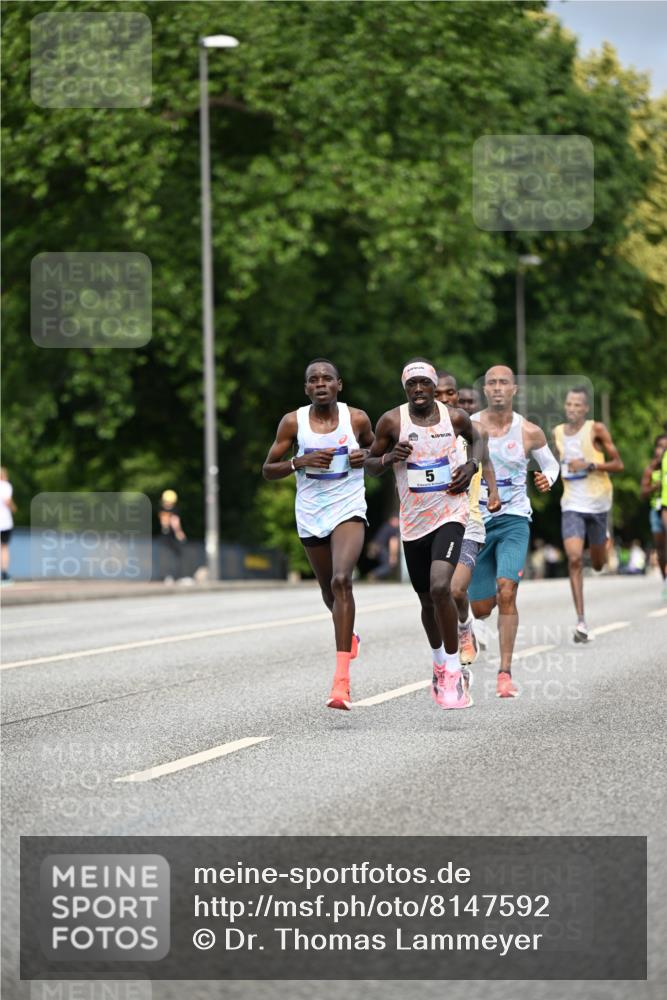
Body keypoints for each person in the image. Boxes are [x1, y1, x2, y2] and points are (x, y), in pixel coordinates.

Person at [365, 358, 479, 710]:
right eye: (411, 384)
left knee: (441, 586)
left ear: (434, 388)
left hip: (451, 514)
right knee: (426, 600)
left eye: (424, 384)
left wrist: (471, 465)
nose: (418, 390)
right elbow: (369, 465)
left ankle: (451, 671)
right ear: (405, 389)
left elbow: (478, 441)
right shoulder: (391, 421)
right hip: (414, 523)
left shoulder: (454, 418)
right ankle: (437, 661)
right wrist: (387, 459)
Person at [262, 358, 374, 711]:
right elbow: (268, 469)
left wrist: (365, 456)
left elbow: (380, 455)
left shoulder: (355, 418)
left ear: (339, 384)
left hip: (348, 507)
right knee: (329, 592)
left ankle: (341, 682)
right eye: (314, 380)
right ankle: (348, 633)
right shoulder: (293, 422)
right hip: (311, 513)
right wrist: (299, 462)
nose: (321, 384)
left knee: (343, 581)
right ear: (306, 388)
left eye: (327, 378)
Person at [468, 366, 560, 698]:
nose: (496, 388)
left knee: (508, 591)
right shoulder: (471, 427)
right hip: (476, 520)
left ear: (514, 390)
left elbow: (550, 464)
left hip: (514, 520)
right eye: (490, 383)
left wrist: (547, 479)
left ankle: (504, 673)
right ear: (485, 390)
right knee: (480, 607)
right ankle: (474, 621)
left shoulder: (530, 431)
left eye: (502, 383)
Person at [435, 372, 501, 666]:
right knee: (438, 591)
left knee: (456, 589)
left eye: (451, 393)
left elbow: (485, 462)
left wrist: (494, 492)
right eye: (440, 394)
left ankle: (464, 628)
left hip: (468, 520)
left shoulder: (473, 431)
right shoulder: (420, 431)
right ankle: (459, 633)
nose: (447, 399)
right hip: (432, 522)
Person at [552, 386, 624, 642]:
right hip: (571, 502)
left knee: (597, 563)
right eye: (568, 404)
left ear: (585, 408)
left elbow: (618, 464)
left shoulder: (596, 429)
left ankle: (602, 541)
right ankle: (581, 621)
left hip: (599, 503)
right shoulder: (557, 432)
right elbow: (554, 463)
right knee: (573, 558)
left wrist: (590, 464)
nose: (572, 408)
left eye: (577, 405)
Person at [640, 434, 667, 598]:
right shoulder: (651, 469)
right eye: (660, 446)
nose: (662, 449)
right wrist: (655, 487)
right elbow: (643, 493)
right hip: (655, 512)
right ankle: (665, 579)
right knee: (661, 550)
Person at [158, 489, 187, 582]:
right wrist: (179, 532)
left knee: (166, 556)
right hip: (172, 536)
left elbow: (163, 522)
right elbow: (175, 522)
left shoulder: (162, 509)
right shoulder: (174, 510)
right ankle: (177, 576)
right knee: (177, 555)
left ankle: (167, 576)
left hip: (164, 536)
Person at [367, 514, 400, 581]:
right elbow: (393, 543)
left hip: (375, 546)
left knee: (384, 563)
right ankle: (374, 574)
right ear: (393, 520)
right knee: (388, 565)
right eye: (397, 521)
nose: (398, 523)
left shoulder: (386, 526)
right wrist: (393, 557)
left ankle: (377, 577)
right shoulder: (392, 529)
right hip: (379, 547)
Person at [0, 467, 16, 583]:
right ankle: (4, 574)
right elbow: (7, 501)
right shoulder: (5, 486)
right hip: (4, 522)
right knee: (4, 547)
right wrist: (13, 508)